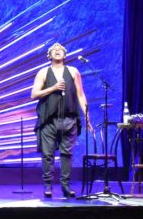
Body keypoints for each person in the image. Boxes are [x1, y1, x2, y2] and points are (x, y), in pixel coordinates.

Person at [31, 43, 92, 198]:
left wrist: (86, 116)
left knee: (67, 154)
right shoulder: (43, 72)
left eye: (60, 50)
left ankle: (65, 185)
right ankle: (47, 185)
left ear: (65, 55)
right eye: (54, 50)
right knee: (47, 154)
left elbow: (80, 94)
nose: (57, 51)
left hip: (69, 119)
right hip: (49, 120)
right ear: (49, 55)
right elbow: (34, 94)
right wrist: (53, 88)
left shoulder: (73, 71)